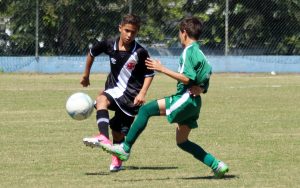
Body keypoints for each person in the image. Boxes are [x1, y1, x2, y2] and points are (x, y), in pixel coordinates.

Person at [98, 17, 229, 178]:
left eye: (179, 33)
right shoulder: (199, 52)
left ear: (184, 33)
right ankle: (217, 165)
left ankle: (124, 149)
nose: (179, 37)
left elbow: (187, 78)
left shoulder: (189, 51)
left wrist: (162, 68)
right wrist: (202, 87)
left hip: (185, 97)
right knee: (182, 142)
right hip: (195, 103)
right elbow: (207, 71)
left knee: (145, 110)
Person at [80, 14, 155, 172]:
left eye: (133, 32)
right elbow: (92, 53)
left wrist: (142, 93)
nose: (129, 35)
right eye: (127, 30)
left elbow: (150, 73)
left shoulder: (140, 52)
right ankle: (102, 136)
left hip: (131, 97)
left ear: (137, 32)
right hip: (114, 91)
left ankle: (117, 159)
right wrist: (86, 75)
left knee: (118, 132)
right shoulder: (109, 44)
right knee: (101, 100)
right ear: (120, 28)